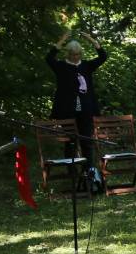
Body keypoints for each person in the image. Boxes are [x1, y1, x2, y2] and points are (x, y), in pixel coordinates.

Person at [46, 30, 109, 185]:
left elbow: (103, 56)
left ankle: (88, 173)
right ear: (68, 54)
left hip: (86, 111)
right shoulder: (61, 67)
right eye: (73, 54)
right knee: (70, 142)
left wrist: (91, 40)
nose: (75, 57)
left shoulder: (86, 66)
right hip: (68, 112)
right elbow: (49, 58)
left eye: (78, 54)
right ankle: (72, 174)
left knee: (87, 141)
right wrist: (62, 40)